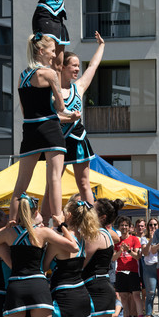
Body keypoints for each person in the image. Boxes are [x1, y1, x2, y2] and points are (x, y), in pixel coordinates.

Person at [10, 33, 80, 225]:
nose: (54, 55)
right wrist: (71, 115)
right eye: (51, 51)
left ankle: (12, 222)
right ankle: (58, 221)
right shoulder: (49, 74)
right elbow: (60, 107)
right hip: (50, 129)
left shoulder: (22, 76)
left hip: (30, 130)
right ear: (41, 51)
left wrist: (62, 114)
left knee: (21, 183)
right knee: (54, 178)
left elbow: (27, 113)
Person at [60, 33, 106, 204]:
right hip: (58, 140)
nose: (78, 69)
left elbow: (93, 66)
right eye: (74, 66)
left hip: (78, 138)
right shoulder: (52, 91)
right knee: (53, 183)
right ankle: (50, 218)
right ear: (62, 67)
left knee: (84, 183)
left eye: (79, 66)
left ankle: (92, 220)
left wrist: (101, 46)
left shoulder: (78, 88)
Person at [114, 216, 143, 317]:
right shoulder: (117, 240)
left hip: (132, 271)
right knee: (123, 297)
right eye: (122, 225)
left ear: (130, 227)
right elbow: (113, 258)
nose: (124, 227)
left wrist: (128, 250)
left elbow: (137, 257)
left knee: (136, 295)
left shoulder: (134, 239)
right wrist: (120, 250)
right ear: (119, 227)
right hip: (121, 272)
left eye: (126, 225)